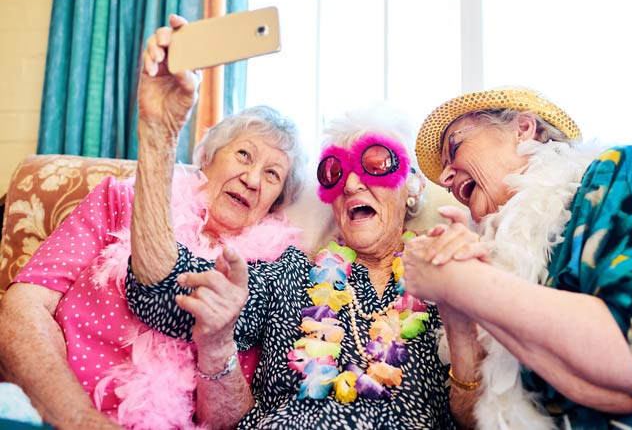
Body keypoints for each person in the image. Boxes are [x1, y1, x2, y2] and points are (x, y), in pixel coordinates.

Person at [0, 14, 306, 430]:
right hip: (53, 409)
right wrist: (80, 419)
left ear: (276, 201)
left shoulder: (271, 274)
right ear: (208, 158)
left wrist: (218, 345)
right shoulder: (118, 198)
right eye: (244, 155)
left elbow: (231, 420)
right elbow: (22, 309)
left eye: (273, 174)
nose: (253, 179)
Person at [124, 104, 486, 429]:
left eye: (375, 164)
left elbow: (480, 419)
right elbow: (160, 290)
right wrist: (159, 133)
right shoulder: (290, 273)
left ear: (413, 186)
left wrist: (458, 323)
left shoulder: (445, 273)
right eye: (335, 172)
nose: (353, 183)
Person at [402, 87, 632, 429]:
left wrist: (465, 284)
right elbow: (472, 420)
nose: (446, 178)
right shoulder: (492, 261)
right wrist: (456, 313)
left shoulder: (619, 173)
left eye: (454, 147)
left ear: (523, 129)